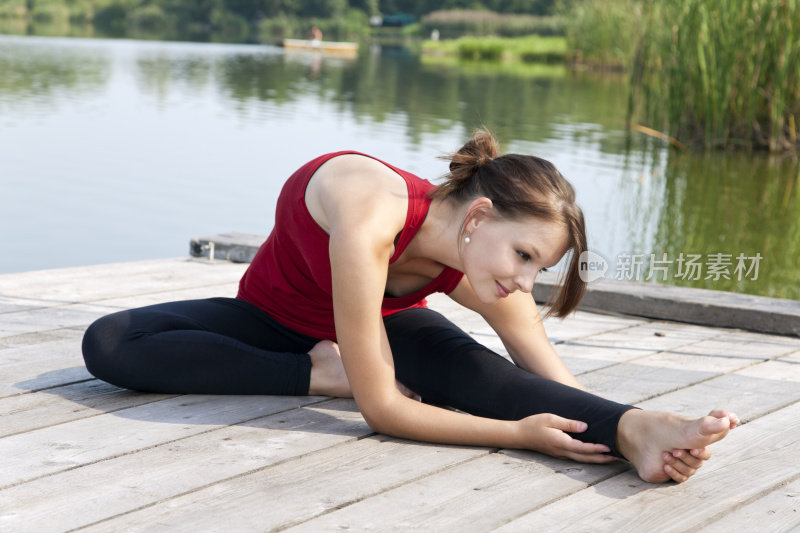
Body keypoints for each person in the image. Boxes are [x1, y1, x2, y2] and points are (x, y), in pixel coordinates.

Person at [82, 129, 738, 483]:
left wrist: (627, 425)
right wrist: (515, 433)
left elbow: (543, 379)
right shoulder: (373, 216)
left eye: (539, 267)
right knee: (109, 344)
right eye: (526, 256)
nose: (525, 281)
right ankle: (322, 373)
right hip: (268, 321)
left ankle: (641, 434)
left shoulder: (478, 261)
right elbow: (384, 410)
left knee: (485, 374)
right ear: (480, 216)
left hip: (384, 331)